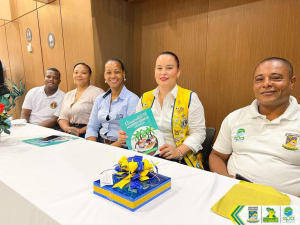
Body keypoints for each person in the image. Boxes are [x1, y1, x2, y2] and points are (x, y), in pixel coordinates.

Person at [209, 57, 300, 197]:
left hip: (288, 206)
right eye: (259, 79)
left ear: (292, 82)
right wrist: (224, 179)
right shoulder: (235, 117)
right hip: (234, 194)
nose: (267, 84)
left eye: (276, 78)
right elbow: (217, 156)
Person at [118, 52, 206, 169]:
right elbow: (138, 130)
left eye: (169, 68)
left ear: (178, 71)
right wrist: (125, 137)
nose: (163, 72)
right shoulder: (145, 98)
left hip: (180, 161)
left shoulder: (190, 98)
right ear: (155, 72)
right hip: (148, 160)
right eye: (159, 68)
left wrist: (178, 151)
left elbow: (199, 133)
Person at [85, 59, 139, 146]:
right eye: (109, 72)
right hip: (99, 143)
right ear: (104, 76)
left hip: (120, 147)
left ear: (123, 74)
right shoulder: (100, 99)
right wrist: (93, 147)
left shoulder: (132, 99)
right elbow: (92, 126)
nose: (113, 76)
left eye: (117, 72)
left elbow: (131, 133)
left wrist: (107, 150)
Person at [58, 63, 104, 138]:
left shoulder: (97, 93)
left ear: (90, 76)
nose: (79, 75)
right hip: (67, 132)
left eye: (83, 73)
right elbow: (62, 118)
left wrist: (81, 130)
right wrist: (67, 129)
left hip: (88, 133)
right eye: (76, 72)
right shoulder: (68, 94)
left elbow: (101, 119)